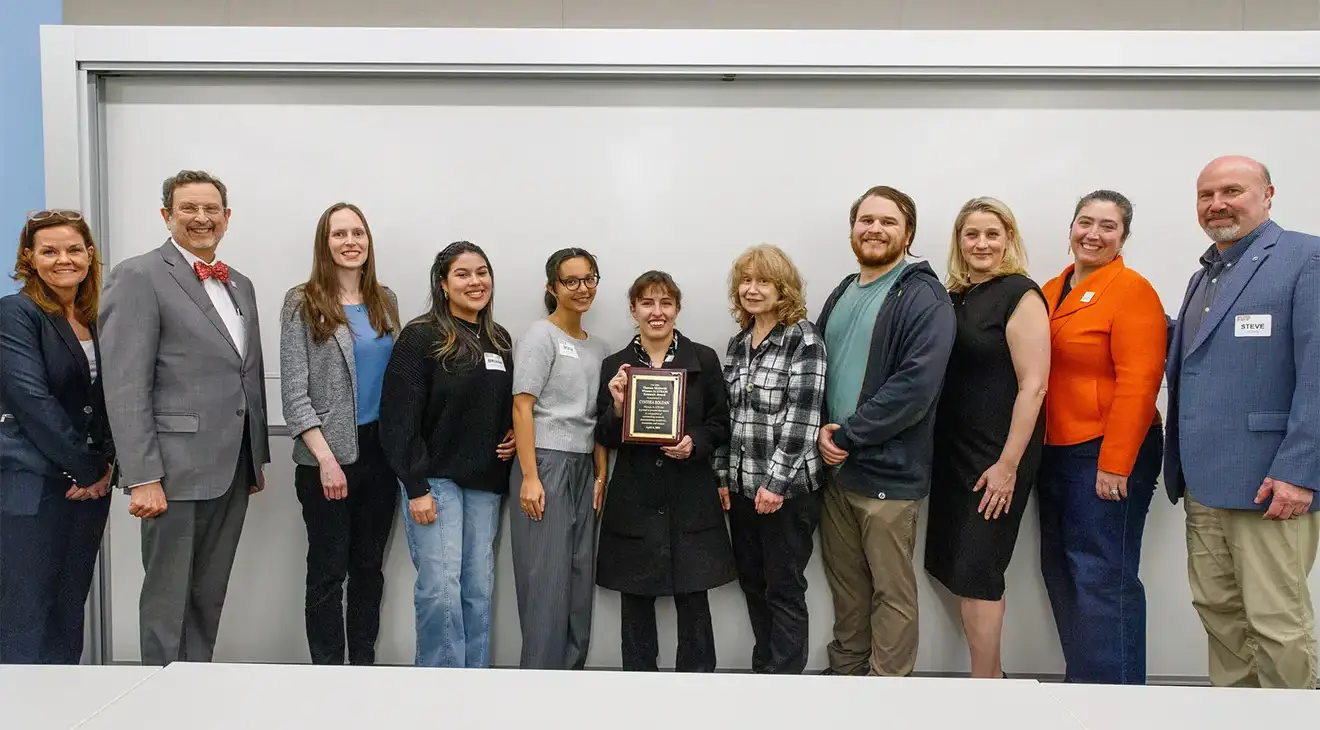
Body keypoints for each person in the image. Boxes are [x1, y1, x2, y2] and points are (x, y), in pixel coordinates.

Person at [99, 170, 270, 665]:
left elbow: (246, 374)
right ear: (166, 216)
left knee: (207, 595)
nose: (201, 218)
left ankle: (196, 693)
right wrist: (143, 476)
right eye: (189, 209)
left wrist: (253, 457)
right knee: (167, 599)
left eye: (211, 209)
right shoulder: (139, 275)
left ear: (227, 217)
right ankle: (156, 700)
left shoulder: (241, 284)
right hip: (171, 472)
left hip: (232, 469)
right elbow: (126, 384)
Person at [1165, 155, 1320, 689]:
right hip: (1205, 484)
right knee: (1221, 617)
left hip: (1271, 484)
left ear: (1268, 194)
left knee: (1277, 624)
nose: (1217, 204)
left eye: (1232, 190)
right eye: (1206, 195)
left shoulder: (1305, 257)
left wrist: (1301, 471)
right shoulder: (1202, 275)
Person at [815, 185, 956, 676]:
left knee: (890, 593)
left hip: (887, 473)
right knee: (847, 587)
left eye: (888, 222)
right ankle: (847, 676)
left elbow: (914, 388)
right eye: (866, 220)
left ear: (908, 233)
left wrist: (847, 435)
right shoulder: (842, 291)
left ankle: (888, 695)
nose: (875, 229)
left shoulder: (924, 296)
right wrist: (821, 436)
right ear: (853, 228)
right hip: (835, 472)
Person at [1037, 189, 1166, 685]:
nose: (1093, 234)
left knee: (1102, 577)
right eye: (1085, 222)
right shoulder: (1051, 288)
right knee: (1063, 572)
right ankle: (1086, 689)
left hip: (1107, 449)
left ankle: (1118, 699)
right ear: (1070, 227)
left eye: (1107, 226)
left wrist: (1116, 462)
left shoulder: (1132, 289)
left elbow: (1140, 379)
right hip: (1055, 448)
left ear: (1123, 237)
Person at [924, 197, 1050, 679]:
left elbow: (1033, 386)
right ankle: (988, 682)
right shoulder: (952, 296)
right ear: (959, 241)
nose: (981, 244)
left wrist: (1008, 466)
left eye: (992, 234)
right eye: (971, 234)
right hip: (953, 452)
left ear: (1009, 240)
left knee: (978, 570)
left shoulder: (1020, 294)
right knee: (958, 565)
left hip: (997, 455)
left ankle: (987, 685)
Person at [380, 241, 516, 668]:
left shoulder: (499, 339)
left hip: (485, 484)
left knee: (477, 588)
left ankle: (472, 682)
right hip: (434, 483)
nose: (475, 282)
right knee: (440, 588)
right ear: (443, 283)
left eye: (482, 272)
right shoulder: (421, 335)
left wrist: (511, 433)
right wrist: (415, 486)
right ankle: (439, 687)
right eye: (463, 274)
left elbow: (500, 405)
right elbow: (398, 417)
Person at [596, 270, 736, 672]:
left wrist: (694, 444)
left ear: (677, 309)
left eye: (665, 303)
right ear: (633, 309)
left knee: (693, 602)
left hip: (689, 494)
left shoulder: (704, 358)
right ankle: (639, 694)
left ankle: (697, 692)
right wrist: (619, 407)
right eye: (647, 303)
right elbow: (603, 432)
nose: (657, 313)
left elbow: (720, 422)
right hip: (635, 497)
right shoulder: (615, 365)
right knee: (635, 602)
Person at [279, 202, 400, 665]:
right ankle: (328, 671)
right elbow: (294, 391)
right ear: (324, 243)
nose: (350, 242)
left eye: (358, 233)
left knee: (369, 568)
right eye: (339, 234)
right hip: (327, 457)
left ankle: (363, 664)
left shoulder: (384, 300)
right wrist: (326, 459)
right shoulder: (302, 300)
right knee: (329, 572)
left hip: (379, 454)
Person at [0, 210, 115, 664]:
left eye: (73, 249)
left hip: (88, 491)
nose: (63, 259)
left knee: (69, 612)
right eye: (49, 251)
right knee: (25, 614)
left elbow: (111, 399)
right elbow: (32, 402)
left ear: (89, 255)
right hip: (34, 487)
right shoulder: (16, 313)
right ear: (29, 257)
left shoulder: (95, 317)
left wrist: (106, 465)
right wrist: (90, 468)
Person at [712, 245, 827, 674]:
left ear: (784, 289)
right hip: (742, 490)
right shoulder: (738, 343)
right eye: (746, 280)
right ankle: (764, 674)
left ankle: (786, 682)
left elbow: (803, 419)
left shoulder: (805, 339)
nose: (752, 289)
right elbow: (727, 417)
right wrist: (722, 475)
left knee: (784, 589)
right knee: (753, 585)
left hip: (787, 494)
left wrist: (775, 486)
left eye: (764, 281)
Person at [509, 248, 610, 669]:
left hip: (586, 467)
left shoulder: (600, 347)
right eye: (571, 281)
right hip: (546, 464)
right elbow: (521, 406)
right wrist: (531, 477)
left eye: (589, 278)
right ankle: (538, 685)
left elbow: (599, 416)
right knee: (546, 581)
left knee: (578, 576)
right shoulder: (540, 336)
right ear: (552, 288)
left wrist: (601, 472)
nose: (582, 288)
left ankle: (571, 679)